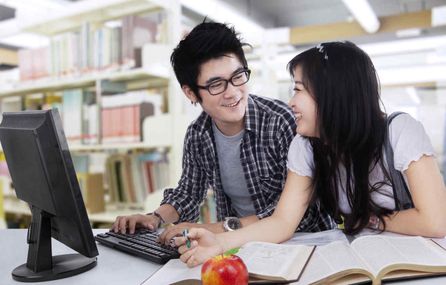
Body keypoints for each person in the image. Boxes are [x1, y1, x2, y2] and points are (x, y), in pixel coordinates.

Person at [175, 41, 446, 267]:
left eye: (298, 89)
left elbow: (435, 221)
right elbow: (282, 222)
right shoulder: (305, 145)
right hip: (364, 257)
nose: (291, 102)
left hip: (422, 264)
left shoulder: (399, 131)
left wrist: (369, 220)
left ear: (331, 96)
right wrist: (220, 243)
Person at [111, 21, 334, 241]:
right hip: (242, 245)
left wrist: (216, 229)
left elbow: (301, 214)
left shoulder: (281, 122)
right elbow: (188, 193)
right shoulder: (198, 134)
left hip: (306, 243)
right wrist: (154, 218)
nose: (233, 93)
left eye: (238, 77)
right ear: (190, 93)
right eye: (216, 84)